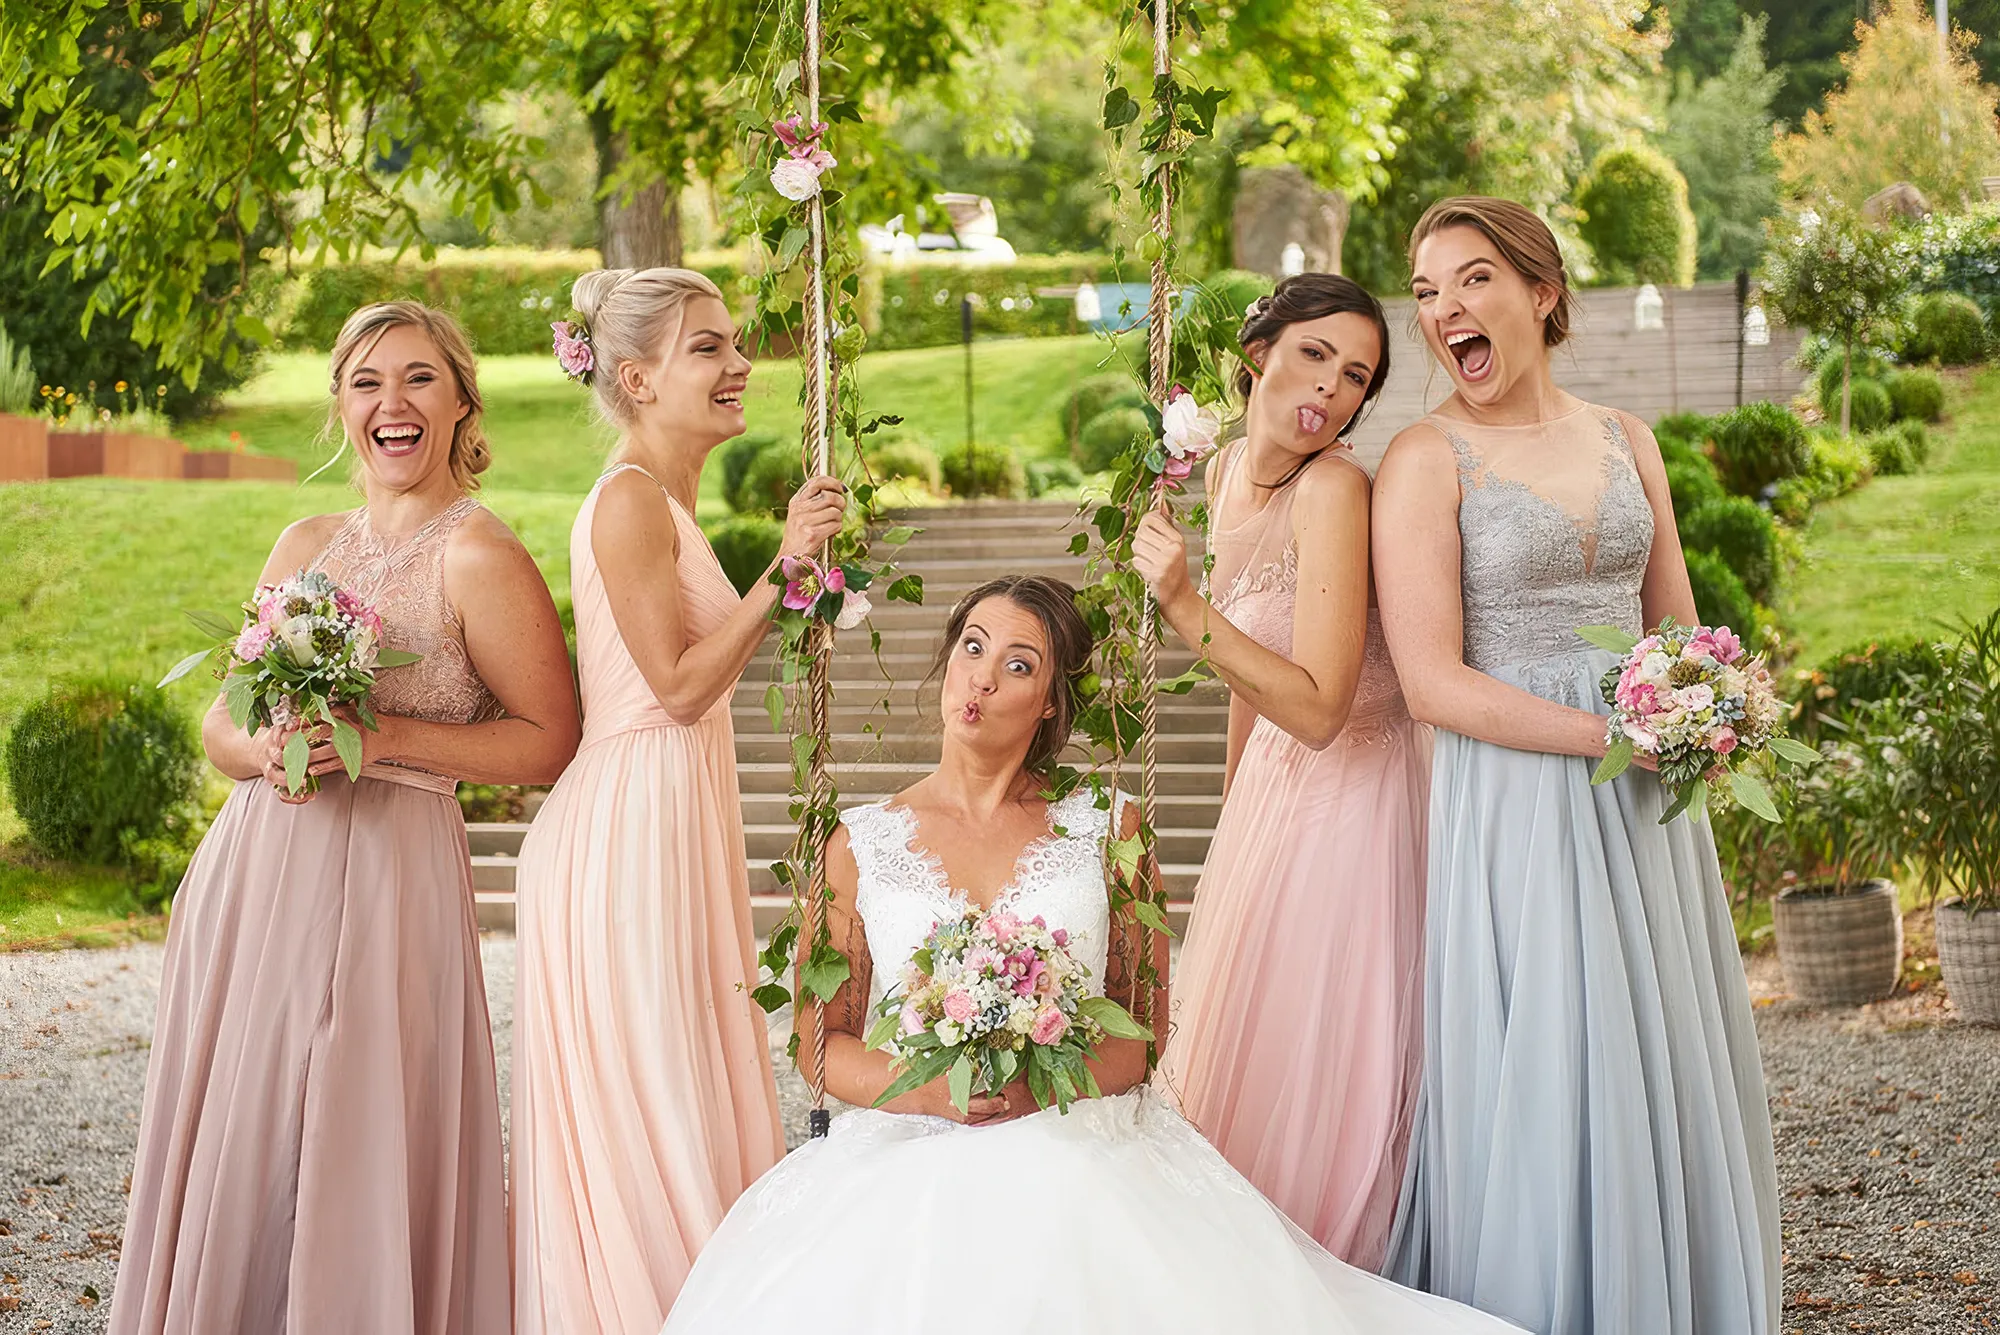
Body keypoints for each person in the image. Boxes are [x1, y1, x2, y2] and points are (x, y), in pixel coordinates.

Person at [659, 575, 1525, 1335]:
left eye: (1020, 664)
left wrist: (1044, 1082)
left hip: (1078, 1130)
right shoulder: (860, 841)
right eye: (972, 647)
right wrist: (927, 1090)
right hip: (909, 1135)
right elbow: (819, 1041)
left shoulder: (1111, 831)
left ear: (1050, 706)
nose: (983, 677)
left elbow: (1143, 1028)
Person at [110, 301, 579, 1334]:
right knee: (247, 1120)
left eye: (418, 379)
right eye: (367, 382)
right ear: (340, 407)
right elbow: (220, 723)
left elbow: (548, 739)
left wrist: (385, 737)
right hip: (257, 869)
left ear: (462, 401)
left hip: (388, 877)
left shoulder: (481, 556)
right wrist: (267, 748)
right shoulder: (305, 540)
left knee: (357, 1124)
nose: (392, 403)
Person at [1374, 197, 1781, 1335]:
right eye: (1423, 291)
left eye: (1469, 280)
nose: (1443, 309)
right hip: (1516, 800)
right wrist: (1615, 735)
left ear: (1540, 293)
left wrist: (1710, 705)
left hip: (1648, 801)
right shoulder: (1421, 457)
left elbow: (1680, 635)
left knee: (1660, 1043)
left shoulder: (1622, 437)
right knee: (1561, 1057)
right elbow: (1430, 683)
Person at [511, 267, 848, 1334]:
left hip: (667, 812)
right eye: (708, 348)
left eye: (732, 342)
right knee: (653, 1090)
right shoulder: (625, 501)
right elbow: (677, 685)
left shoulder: (664, 498)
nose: (739, 364)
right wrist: (782, 570)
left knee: (690, 1078)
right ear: (636, 377)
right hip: (624, 831)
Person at [1136, 273, 1430, 1269]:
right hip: (1271, 798)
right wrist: (1230, 830)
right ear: (1258, 350)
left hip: (1354, 800)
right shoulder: (1221, 474)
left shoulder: (1334, 489)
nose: (1331, 390)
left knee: (1319, 1066)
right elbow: (1248, 691)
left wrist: (1182, 608)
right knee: (1238, 1055)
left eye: (1356, 378)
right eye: (1314, 355)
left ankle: (1320, 1275)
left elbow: (1314, 706)